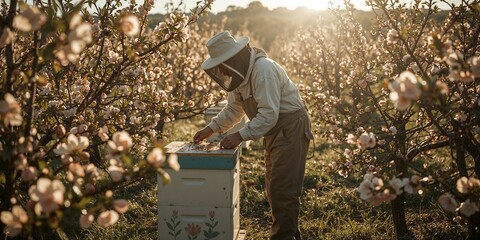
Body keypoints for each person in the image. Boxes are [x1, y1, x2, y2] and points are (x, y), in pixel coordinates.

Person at [193, 31, 314, 240]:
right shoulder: (239, 77)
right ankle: (290, 234)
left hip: (290, 128)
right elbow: (233, 110)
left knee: (283, 191)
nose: (221, 70)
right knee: (274, 188)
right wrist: (211, 128)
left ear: (234, 59)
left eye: (222, 63)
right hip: (274, 130)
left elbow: (269, 113)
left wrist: (239, 136)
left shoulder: (262, 70)